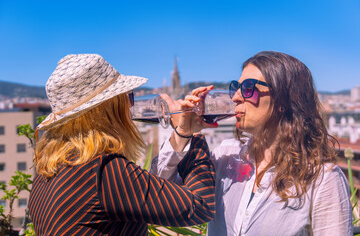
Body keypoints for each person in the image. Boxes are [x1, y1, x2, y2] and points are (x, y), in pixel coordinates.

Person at [152, 51, 353, 235]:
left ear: (283, 100)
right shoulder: (226, 157)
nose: (236, 97)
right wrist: (183, 133)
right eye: (236, 88)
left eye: (248, 88)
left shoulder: (321, 179)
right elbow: (160, 195)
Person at [28, 54, 215, 235]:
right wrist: (194, 132)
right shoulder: (103, 172)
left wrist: (182, 133)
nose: (131, 108)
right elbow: (200, 206)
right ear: (111, 109)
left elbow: (149, 193)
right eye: (128, 97)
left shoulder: (45, 175)